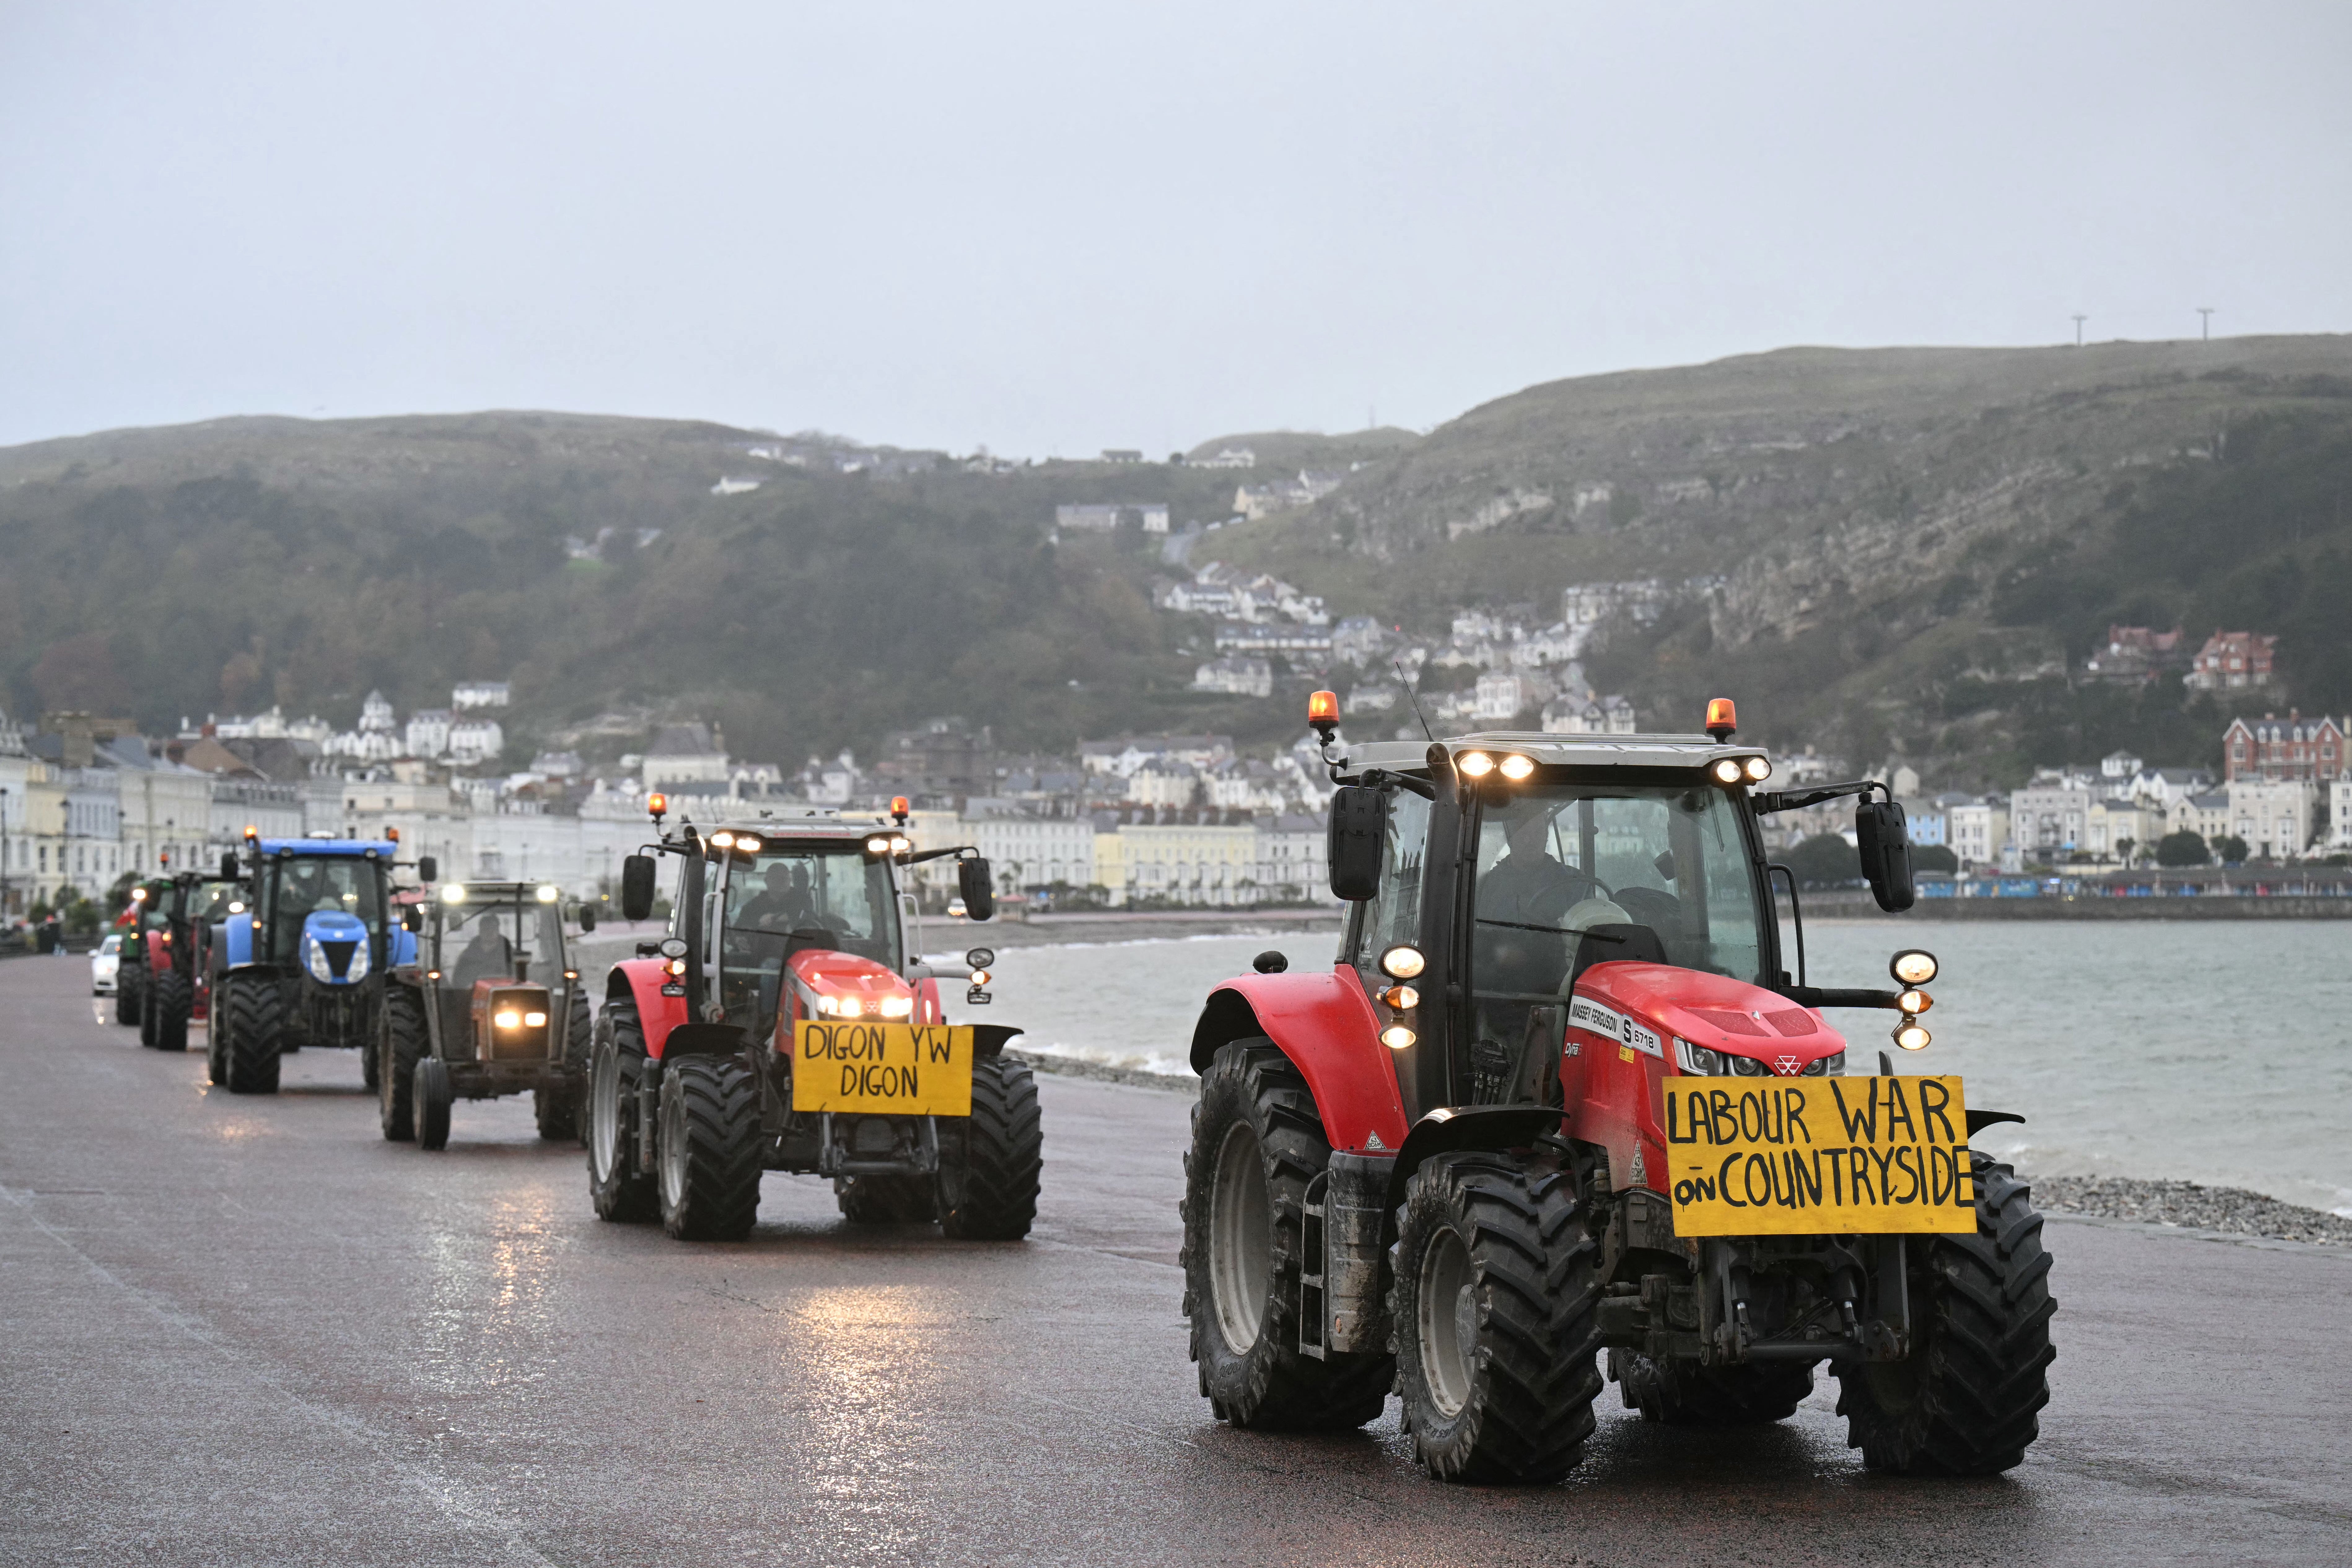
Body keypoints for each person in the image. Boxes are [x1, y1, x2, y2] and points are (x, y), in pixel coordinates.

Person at [734, 863, 816, 933]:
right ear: (766, 881)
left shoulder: (803, 901)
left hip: (796, 948)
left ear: (789, 880)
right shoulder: (753, 906)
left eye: (784, 878)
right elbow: (738, 930)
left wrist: (783, 917)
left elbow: (810, 918)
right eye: (775, 878)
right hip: (762, 949)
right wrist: (739, 940)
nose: (781, 882)